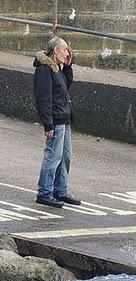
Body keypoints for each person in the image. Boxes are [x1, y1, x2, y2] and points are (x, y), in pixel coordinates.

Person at [33, 36, 81, 208]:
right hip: (56, 120)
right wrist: (48, 124)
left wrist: (68, 66)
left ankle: (60, 190)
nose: (68, 53)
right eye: (65, 49)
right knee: (53, 156)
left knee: (65, 157)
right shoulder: (44, 70)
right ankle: (44, 192)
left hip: (65, 118)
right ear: (56, 50)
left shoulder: (56, 69)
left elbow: (65, 86)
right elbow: (43, 99)